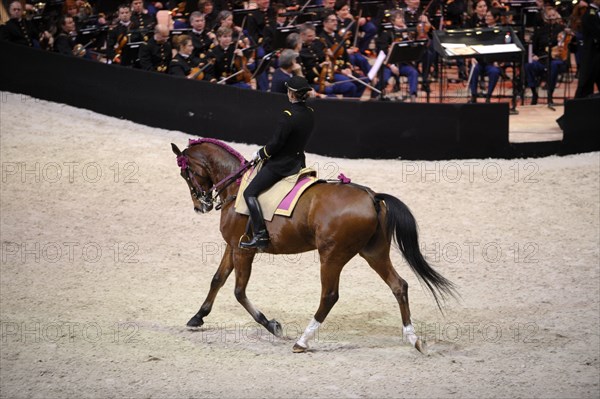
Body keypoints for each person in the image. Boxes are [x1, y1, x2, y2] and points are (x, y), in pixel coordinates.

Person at [241, 76, 315, 249]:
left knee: (249, 192)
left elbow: (276, 144)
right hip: (299, 162)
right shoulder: (310, 113)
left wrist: (260, 153)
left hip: (281, 166)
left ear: (291, 94)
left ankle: (260, 235)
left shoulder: (288, 116)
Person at [524, 6, 569, 105]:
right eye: (550, 16)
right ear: (545, 18)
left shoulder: (562, 29)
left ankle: (550, 95)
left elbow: (564, 46)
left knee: (554, 65)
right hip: (541, 59)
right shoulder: (540, 31)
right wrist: (533, 55)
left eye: (554, 15)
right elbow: (533, 48)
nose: (552, 18)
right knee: (529, 65)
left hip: (555, 59)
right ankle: (534, 93)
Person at [468, 7, 503, 102]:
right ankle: (473, 95)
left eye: (489, 16)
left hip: (492, 63)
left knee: (495, 72)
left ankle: (488, 96)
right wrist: (473, 56)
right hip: (480, 61)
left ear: (496, 18)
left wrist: (499, 61)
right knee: (474, 68)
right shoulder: (481, 28)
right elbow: (474, 43)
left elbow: (503, 48)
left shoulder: (501, 30)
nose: (486, 18)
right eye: (486, 16)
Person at [574, 0, 600, 98]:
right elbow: (597, 33)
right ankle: (576, 110)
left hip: (596, 55)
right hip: (592, 55)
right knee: (585, 85)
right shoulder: (590, 14)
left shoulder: (594, 12)